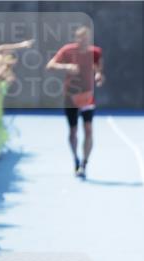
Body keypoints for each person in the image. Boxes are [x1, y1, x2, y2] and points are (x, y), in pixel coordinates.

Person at [46, 26, 103, 178]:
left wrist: (98, 77)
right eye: (79, 38)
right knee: (73, 131)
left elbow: (99, 71)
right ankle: (76, 159)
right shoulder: (67, 50)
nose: (82, 41)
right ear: (76, 38)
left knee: (89, 129)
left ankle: (85, 162)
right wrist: (66, 66)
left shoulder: (95, 52)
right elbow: (50, 65)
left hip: (87, 96)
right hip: (71, 96)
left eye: (85, 38)